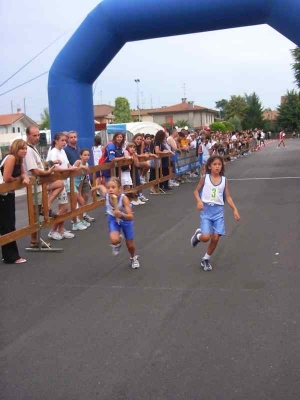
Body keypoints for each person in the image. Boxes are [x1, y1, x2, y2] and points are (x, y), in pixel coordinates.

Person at [190, 155, 240, 271]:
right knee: (206, 237)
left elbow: (227, 197)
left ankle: (206, 258)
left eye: (219, 164)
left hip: (218, 211)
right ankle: (198, 236)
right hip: (206, 210)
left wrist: (235, 209)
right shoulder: (205, 178)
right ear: (209, 166)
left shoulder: (224, 180)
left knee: (216, 238)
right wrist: (199, 201)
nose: (217, 167)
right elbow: (196, 191)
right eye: (215, 164)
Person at [23, 126, 65, 248]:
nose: (37, 138)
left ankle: (45, 207)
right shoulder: (28, 150)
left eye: (38, 135)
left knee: (59, 184)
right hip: (34, 185)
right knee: (34, 215)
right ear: (28, 135)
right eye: (34, 135)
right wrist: (47, 172)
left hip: (41, 184)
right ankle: (34, 241)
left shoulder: (33, 148)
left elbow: (40, 165)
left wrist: (51, 163)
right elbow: (35, 170)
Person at [91, 177, 140, 269]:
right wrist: (95, 188)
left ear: (120, 189)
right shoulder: (106, 195)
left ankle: (133, 257)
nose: (110, 189)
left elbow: (130, 216)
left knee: (130, 245)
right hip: (113, 219)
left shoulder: (123, 198)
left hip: (125, 220)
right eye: (109, 187)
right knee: (114, 240)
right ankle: (118, 242)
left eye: (113, 187)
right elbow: (101, 187)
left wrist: (121, 214)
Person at [0, 139, 29, 264]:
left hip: (8, 195)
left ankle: (7, 255)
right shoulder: (11, 158)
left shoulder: (19, 160)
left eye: (26, 149)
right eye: (22, 148)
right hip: (3, 195)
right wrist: (18, 179)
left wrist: (25, 177)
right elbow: (7, 178)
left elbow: (23, 173)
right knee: (8, 225)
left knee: (7, 225)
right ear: (16, 148)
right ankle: (12, 256)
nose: (25, 151)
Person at [47, 132, 78, 239]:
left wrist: (72, 167)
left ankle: (61, 229)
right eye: (62, 140)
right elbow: (54, 168)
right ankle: (52, 230)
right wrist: (68, 169)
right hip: (57, 180)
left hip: (64, 180)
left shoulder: (62, 151)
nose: (64, 142)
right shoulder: (53, 152)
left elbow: (68, 163)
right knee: (64, 206)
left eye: (65, 140)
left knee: (62, 206)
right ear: (56, 141)